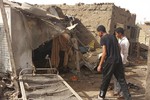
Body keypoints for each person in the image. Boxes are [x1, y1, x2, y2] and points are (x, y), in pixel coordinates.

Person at [96, 25, 131, 100]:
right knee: (121, 80)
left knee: (106, 79)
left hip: (110, 61)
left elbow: (104, 53)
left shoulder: (103, 38)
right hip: (118, 60)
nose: (98, 34)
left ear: (101, 32)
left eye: (98, 33)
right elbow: (118, 47)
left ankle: (101, 96)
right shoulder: (113, 37)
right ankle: (128, 97)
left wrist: (100, 65)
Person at [113, 27, 130, 98]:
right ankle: (117, 90)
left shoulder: (125, 41)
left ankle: (122, 93)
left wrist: (123, 61)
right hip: (118, 61)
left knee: (121, 78)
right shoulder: (120, 40)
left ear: (120, 33)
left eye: (116, 33)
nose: (116, 35)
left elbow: (125, 53)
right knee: (116, 77)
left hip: (122, 61)